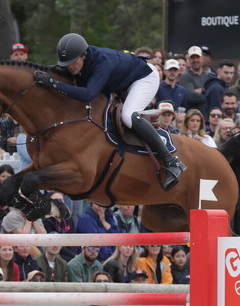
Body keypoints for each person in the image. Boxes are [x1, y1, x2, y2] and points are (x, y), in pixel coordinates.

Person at [35, 33, 185, 190]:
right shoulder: (81, 62)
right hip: (124, 82)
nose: (70, 66)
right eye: (66, 63)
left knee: (128, 116)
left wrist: (54, 84)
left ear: (83, 55)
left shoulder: (102, 62)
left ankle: (171, 160)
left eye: (72, 62)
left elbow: (88, 94)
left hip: (144, 78)